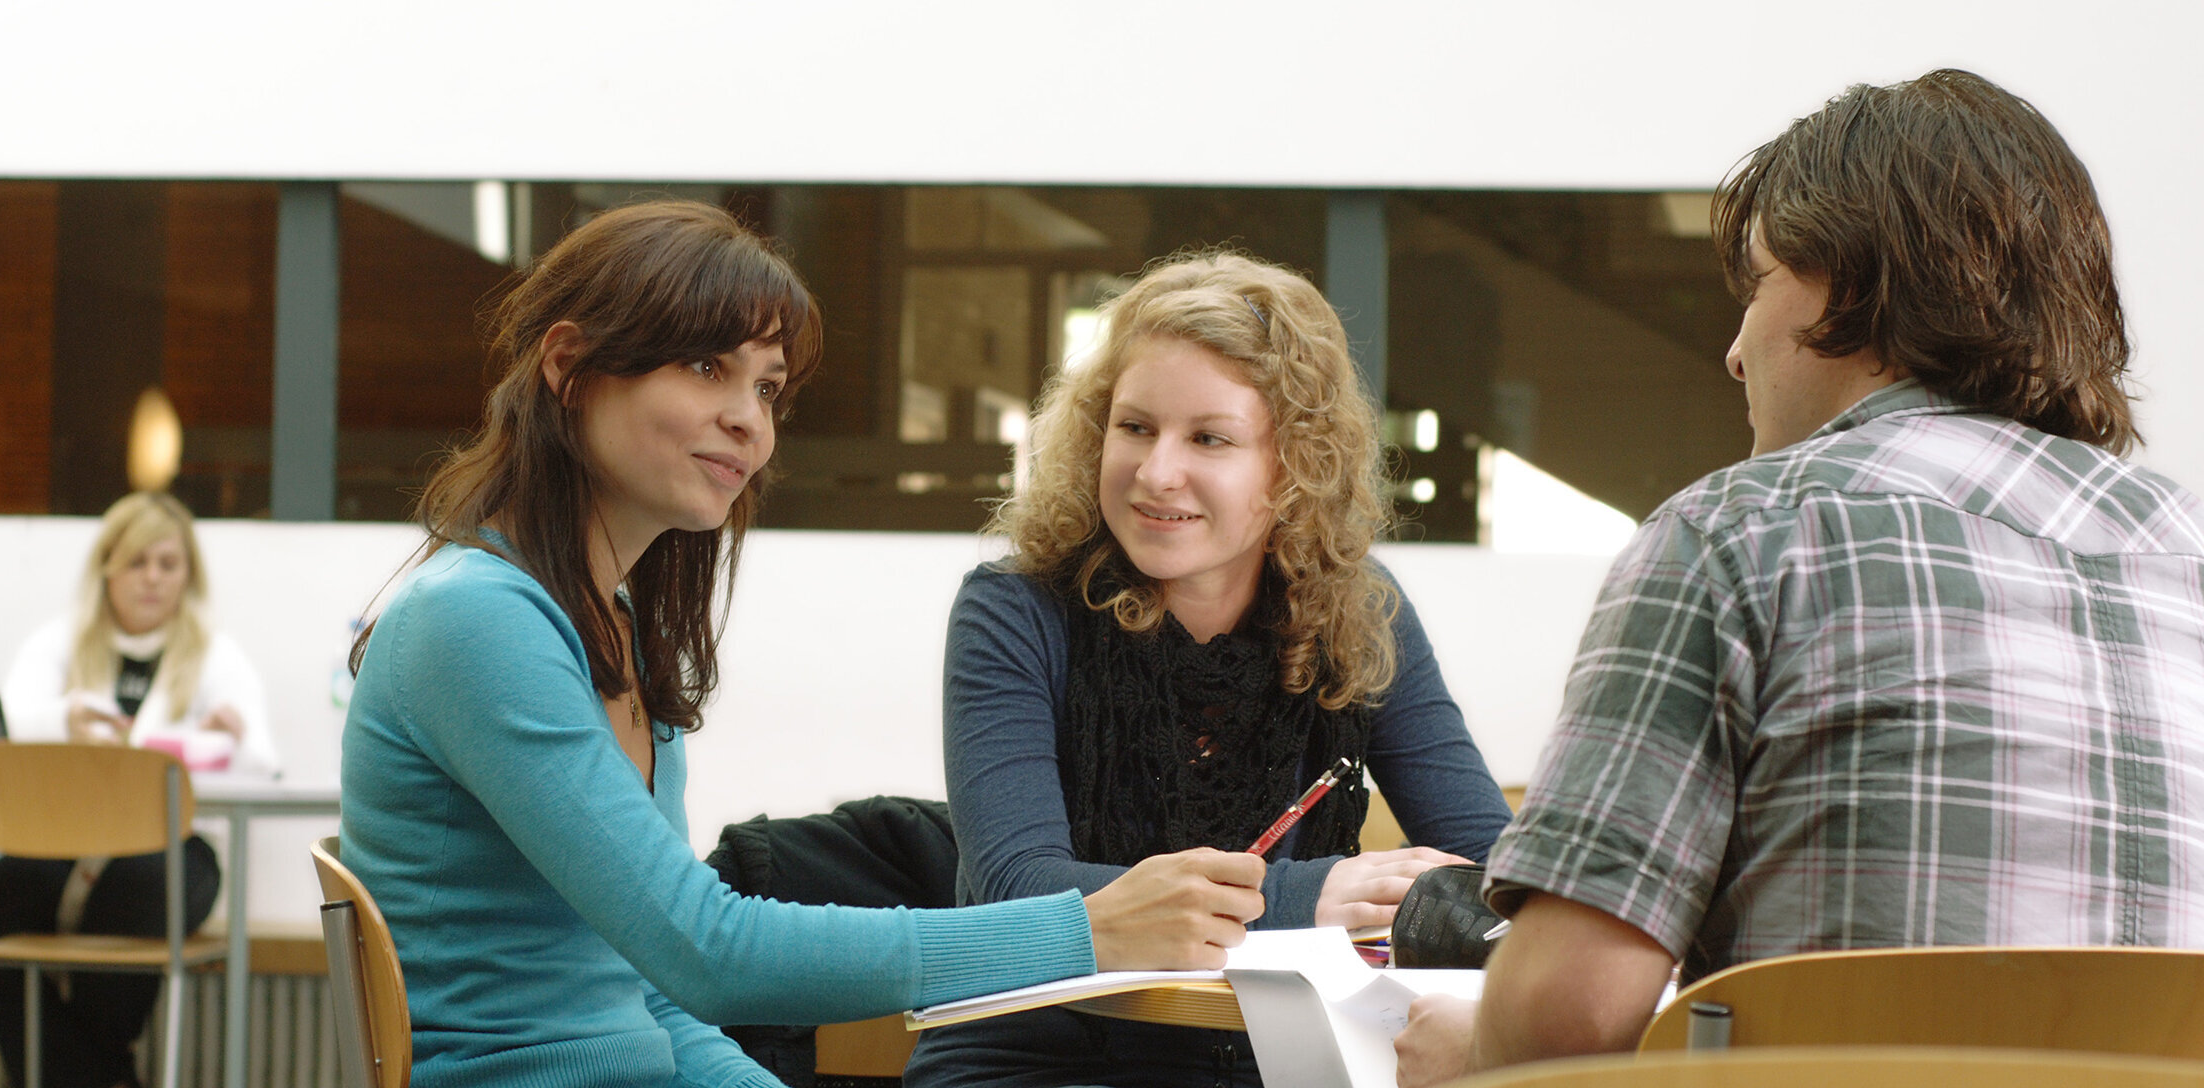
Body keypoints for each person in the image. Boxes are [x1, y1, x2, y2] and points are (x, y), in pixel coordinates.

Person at [338, 200, 1270, 1088]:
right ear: (570, 368)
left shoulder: (610, 623)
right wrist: (1085, 932)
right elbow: (706, 950)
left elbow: (658, 1000)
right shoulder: (477, 620)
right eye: (708, 368)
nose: (751, 418)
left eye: (768, 387)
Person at [1392, 68, 2204, 1087]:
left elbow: (1563, 1022)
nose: (1735, 351)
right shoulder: (2189, 553)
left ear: (1852, 283)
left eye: (1758, 286)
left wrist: (1466, 1053)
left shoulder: (1739, 532)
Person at [906, 251, 1513, 1088]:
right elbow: (1020, 890)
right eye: (1135, 427)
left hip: (1278, 1061)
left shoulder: (1360, 613)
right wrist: (1310, 897)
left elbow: (1494, 872)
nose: (1157, 473)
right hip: (1037, 1059)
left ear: (1294, 466)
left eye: (1210, 439)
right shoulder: (1015, 610)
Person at [0, 489, 279, 1088]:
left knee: (137, 903)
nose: (152, 580)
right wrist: (62, 720)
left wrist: (234, 741)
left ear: (188, 576)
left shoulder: (217, 656)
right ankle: (109, 1077)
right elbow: (7, 722)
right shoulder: (58, 642)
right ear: (107, 568)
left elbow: (263, 766)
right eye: (137, 563)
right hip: (61, 846)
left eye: (168, 565)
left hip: (166, 855)